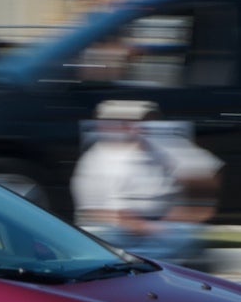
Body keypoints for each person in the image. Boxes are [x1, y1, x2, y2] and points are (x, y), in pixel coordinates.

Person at [71, 99, 221, 266]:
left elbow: (208, 172)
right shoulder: (98, 159)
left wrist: (192, 211)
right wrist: (150, 228)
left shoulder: (165, 148)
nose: (139, 127)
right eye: (129, 123)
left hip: (162, 225)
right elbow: (105, 213)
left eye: (145, 121)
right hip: (118, 229)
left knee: (185, 234)